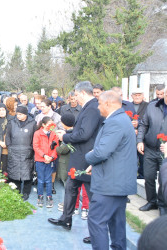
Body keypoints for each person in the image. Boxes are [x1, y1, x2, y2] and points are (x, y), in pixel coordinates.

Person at [85, 90, 137, 249]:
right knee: (116, 222)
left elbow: (102, 152)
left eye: (99, 104)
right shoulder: (122, 119)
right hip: (117, 182)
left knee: (96, 220)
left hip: (110, 184)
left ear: (108, 103)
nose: (98, 108)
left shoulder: (115, 122)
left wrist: (89, 156)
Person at [48, 81, 102, 235]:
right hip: (79, 157)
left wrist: (65, 136)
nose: (75, 98)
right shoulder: (89, 107)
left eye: (76, 95)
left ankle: (97, 232)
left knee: (92, 195)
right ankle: (66, 218)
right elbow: (81, 130)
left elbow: (85, 134)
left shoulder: (92, 108)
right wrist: (68, 134)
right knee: (71, 187)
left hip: (86, 159)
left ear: (83, 93)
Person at [137, 87, 167, 215]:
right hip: (150, 147)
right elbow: (144, 125)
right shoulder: (152, 106)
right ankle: (151, 201)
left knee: (163, 179)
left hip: (165, 151)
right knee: (148, 176)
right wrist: (139, 141)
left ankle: (162, 205)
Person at [6, 104, 36, 201]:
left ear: (25, 114)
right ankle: (17, 191)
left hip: (27, 152)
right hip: (14, 151)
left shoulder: (33, 123)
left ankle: (26, 192)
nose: (18, 116)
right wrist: (9, 147)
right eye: (17, 114)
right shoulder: (12, 122)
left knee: (27, 173)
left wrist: (31, 149)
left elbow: (34, 138)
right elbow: (8, 136)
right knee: (15, 173)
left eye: (20, 114)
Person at [33, 116, 59, 208]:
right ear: (43, 125)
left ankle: (49, 197)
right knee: (40, 180)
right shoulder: (37, 133)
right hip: (40, 160)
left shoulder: (54, 134)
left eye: (52, 124)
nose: (51, 126)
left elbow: (56, 147)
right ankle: (40, 196)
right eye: (49, 125)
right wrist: (44, 156)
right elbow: (36, 146)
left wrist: (51, 157)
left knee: (49, 180)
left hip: (50, 160)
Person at [132, 87, 149, 179]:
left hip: (143, 136)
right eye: (135, 95)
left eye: (139, 95)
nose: (137, 97)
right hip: (130, 136)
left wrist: (139, 124)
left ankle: (142, 175)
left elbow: (150, 120)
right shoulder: (128, 105)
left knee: (142, 157)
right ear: (132, 96)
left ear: (143, 96)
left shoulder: (148, 105)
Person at [0, 103, 11, 173]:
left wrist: (7, 142)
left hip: (8, 148)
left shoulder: (11, 120)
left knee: (6, 170)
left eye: (3, 110)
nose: (1, 112)